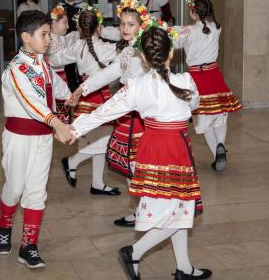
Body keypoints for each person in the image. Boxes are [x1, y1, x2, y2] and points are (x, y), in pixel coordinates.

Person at [70, 20, 212, 280]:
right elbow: (193, 107)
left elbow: (104, 112)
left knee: (179, 208)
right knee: (178, 209)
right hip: (175, 148)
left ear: (143, 57)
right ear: (170, 52)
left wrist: (75, 129)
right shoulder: (185, 81)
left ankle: (184, 267)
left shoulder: (137, 87)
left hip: (152, 147)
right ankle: (134, 251)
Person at [0, 10, 75, 269]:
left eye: (49, 34)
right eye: (44, 34)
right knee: (15, 187)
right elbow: (30, 101)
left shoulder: (45, 64)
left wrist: (71, 95)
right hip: (19, 139)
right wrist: (57, 122)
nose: (49, 39)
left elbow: (56, 88)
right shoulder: (16, 69)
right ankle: (4, 226)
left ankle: (29, 245)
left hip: (43, 138)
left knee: (37, 192)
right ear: (26, 37)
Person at [70, 0, 149, 227]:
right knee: (130, 164)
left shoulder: (141, 50)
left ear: (141, 25)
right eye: (122, 24)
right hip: (129, 111)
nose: (125, 28)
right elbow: (110, 73)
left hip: (138, 112)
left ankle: (145, 211)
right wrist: (82, 88)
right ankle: (140, 209)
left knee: (136, 164)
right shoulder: (128, 49)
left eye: (131, 24)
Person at [47, 7, 120, 196]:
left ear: (80, 28)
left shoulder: (78, 46)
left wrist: (42, 56)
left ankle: (97, 183)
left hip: (85, 95)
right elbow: (123, 55)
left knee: (100, 140)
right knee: (105, 140)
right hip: (97, 95)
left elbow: (55, 59)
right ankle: (72, 162)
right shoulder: (102, 47)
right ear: (98, 27)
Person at [174, 0, 241, 171]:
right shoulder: (217, 28)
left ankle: (216, 153)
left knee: (203, 120)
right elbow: (206, 25)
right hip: (214, 75)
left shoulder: (187, 32)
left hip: (197, 78)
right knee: (220, 115)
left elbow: (173, 41)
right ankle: (221, 145)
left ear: (194, 12)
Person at [59, 0, 88, 92]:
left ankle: (82, 87)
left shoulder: (83, 6)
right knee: (68, 65)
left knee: (82, 64)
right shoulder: (60, 7)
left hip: (80, 40)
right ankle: (70, 87)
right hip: (65, 41)